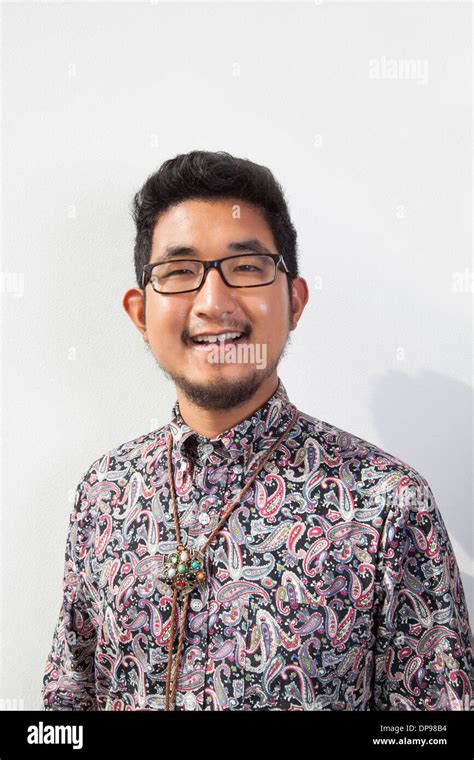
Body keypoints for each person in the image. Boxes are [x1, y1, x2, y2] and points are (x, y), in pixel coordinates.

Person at [41, 150, 473, 711]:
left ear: (294, 302)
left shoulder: (388, 505)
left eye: (246, 268)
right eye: (179, 272)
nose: (213, 303)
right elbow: (68, 697)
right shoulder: (102, 493)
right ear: (140, 314)